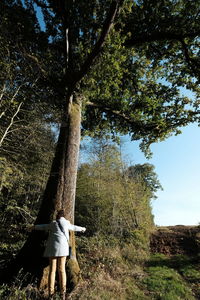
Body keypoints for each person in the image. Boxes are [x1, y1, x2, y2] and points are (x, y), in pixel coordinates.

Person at [33, 209, 86, 299]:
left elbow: (43, 227)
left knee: (52, 271)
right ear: (64, 216)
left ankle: (51, 294)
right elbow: (74, 227)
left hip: (52, 249)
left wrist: (33, 227)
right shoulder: (66, 223)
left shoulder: (53, 224)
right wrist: (83, 229)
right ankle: (63, 293)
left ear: (57, 216)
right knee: (62, 270)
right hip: (63, 249)